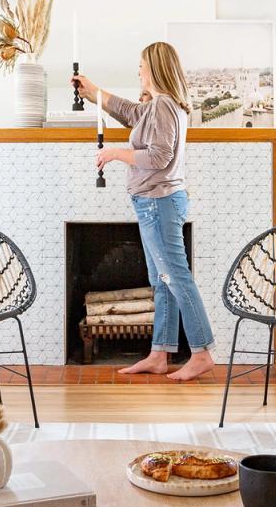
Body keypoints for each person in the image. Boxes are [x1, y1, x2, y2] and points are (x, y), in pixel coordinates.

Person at [70, 42, 216, 382]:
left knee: (176, 278)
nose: (138, 70)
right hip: (155, 203)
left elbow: (159, 157)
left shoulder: (164, 106)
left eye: (141, 64)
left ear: (154, 67)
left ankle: (202, 352)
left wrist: (116, 154)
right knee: (162, 282)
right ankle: (159, 354)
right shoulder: (158, 107)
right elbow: (130, 112)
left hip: (159, 203)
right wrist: (94, 93)